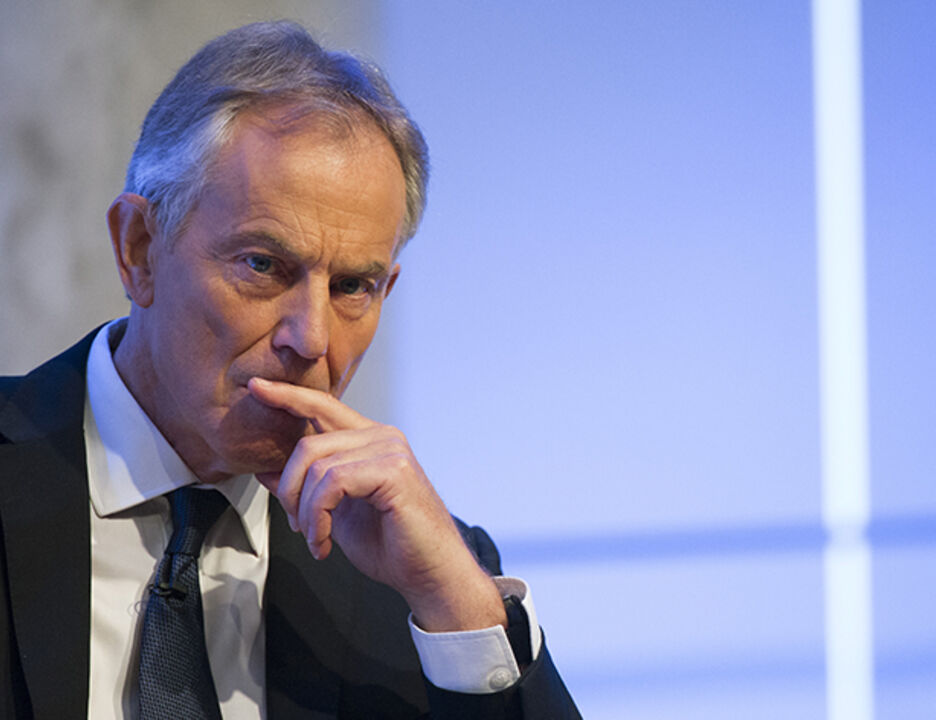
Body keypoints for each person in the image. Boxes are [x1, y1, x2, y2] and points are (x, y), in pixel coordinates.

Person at [0, 20, 579, 719]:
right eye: (264, 266)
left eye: (352, 287)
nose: (310, 337)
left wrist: (459, 605)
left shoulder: (424, 580)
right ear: (140, 249)